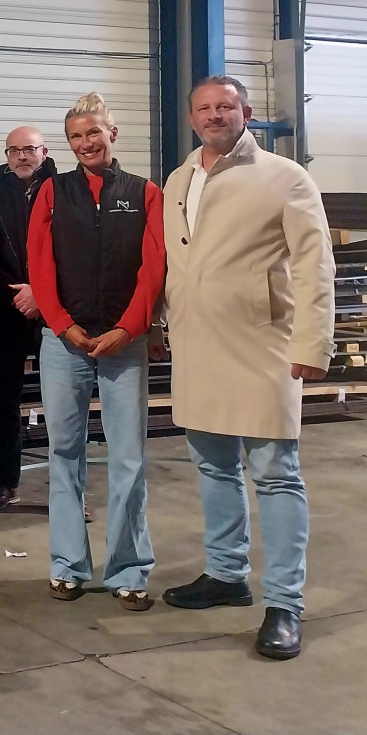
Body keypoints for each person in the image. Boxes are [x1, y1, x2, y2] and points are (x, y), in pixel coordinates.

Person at [158, 76, 335, 660]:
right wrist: (162, 323)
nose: (214, 115)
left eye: (225, 106)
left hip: (263, 349)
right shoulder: (180, 180)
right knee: (214, 470)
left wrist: (313, 345)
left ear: (247, 113)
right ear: (191, 118)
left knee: (276, 474)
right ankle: (226, 574)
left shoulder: (286, 178)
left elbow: (314, 268)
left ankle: (285, 602)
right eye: (204, 108)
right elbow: (176, 262)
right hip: (195, 346)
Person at [28, 92, 165, 610]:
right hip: (65, 344)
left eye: (93, 133)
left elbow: (153, 266)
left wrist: (131, 328)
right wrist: (62, 325)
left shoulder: (144, 193)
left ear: (113, 134)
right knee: (64, 454)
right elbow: (39, 265)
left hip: (122, 345)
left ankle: (129, 569)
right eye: (75, 137)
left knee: (128, 457)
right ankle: (67, 563)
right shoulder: (52, 193)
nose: (86, 143)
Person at [0, 126, 56, 510]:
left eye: (30, 149)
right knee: (4, 403)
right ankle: (4, 484)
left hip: (55, 312)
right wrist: (19, 292)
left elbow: (73, 250)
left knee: (64, 406)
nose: (23, 156)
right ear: (6, 155)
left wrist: (41, 293)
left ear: (44, 151)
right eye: (15, 150)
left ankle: (71, 492)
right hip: (5, 312)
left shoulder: (66, 191)